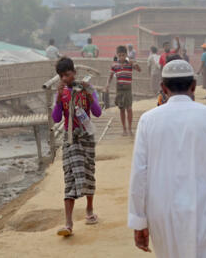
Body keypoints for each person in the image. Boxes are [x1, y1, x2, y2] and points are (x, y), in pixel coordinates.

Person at [128, 59, 206, 257]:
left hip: (162, 211)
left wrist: (139, 220)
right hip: (202, 207)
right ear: (193, 85)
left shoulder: (148, 121)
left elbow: (139, 173)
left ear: (163, 87)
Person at [51, 57, 102, 237]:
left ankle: (89, 210)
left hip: (86, 137)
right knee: (70, 176)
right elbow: (56, 118)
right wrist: (58, 100)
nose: (65, 78)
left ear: (74, 72)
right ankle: (68, 223)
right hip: (70, 139)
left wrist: (89, 97)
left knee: (88, 171)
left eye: (67, 74)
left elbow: (97, 112)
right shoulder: (61, 93)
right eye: (61, 76)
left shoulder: (87, 89)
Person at [105, 45, 141, 136]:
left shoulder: (130, 64)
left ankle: (130, 129)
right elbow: (110, 76)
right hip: (119, 89)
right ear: (117, 55)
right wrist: (107, 85)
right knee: (121, 109)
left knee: (129, 108)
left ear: (126, 55)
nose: (121, 57)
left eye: (123, 55)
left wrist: (134, 63)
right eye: (119, 55)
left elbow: (139, 70)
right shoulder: (114, 65)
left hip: (128, 89)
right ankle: (124, 129)